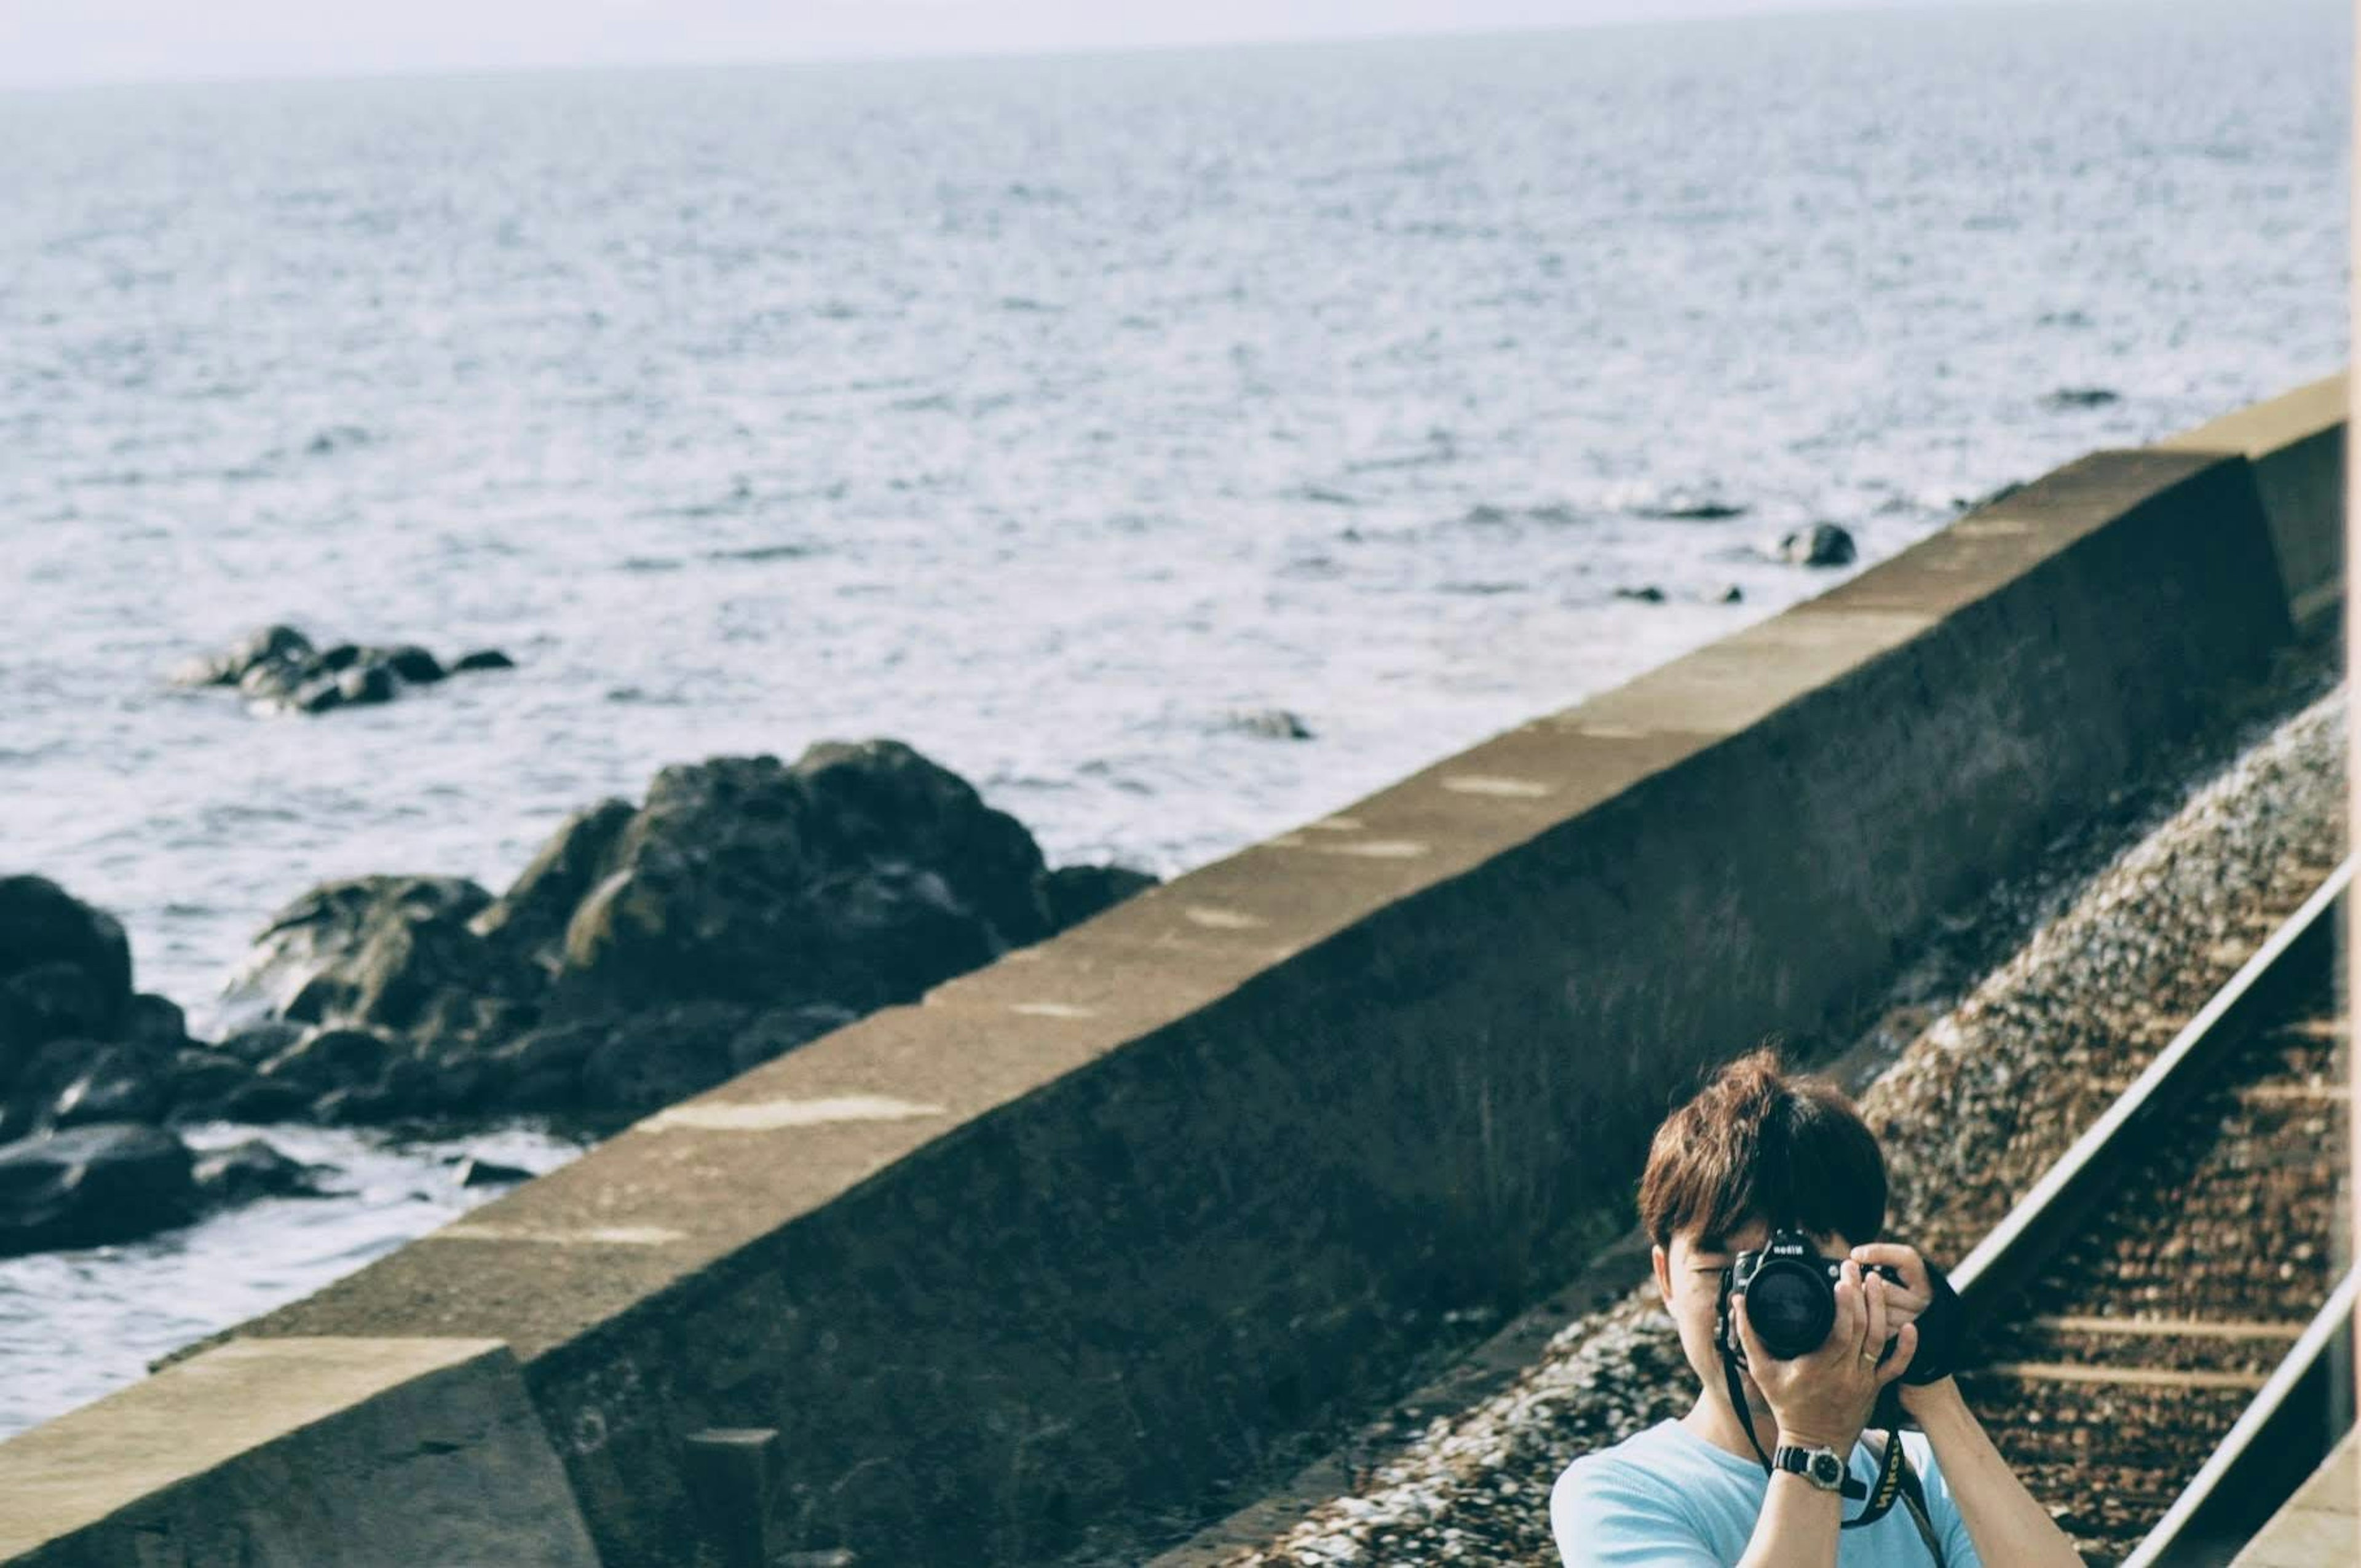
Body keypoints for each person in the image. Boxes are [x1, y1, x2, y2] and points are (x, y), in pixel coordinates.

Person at [1547, 1049, 2084, 1567]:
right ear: (1665, 1278)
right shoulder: (1621, 1496)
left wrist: (1934, 1390)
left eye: (1796, 1275)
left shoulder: (1918, 1475)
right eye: (1721, 1272)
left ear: (1865, 1271)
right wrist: (1812, 1447)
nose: (1750, 1307)